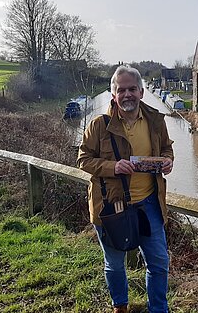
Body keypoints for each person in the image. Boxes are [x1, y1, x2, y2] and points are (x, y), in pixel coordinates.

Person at [77, 65, 174, 313]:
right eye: (121, 90)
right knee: (114, 264)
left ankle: (158, 310)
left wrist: (167, 160)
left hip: (149, 204)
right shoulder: (99, 125)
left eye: (132, 89)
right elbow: (83, 160)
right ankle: (120, 306)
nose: (127, 94)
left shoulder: (156, 121)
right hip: (111, 205)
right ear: (113, 95)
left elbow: (166, 148)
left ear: (141, 92)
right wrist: (113, 166)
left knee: (159, 263)